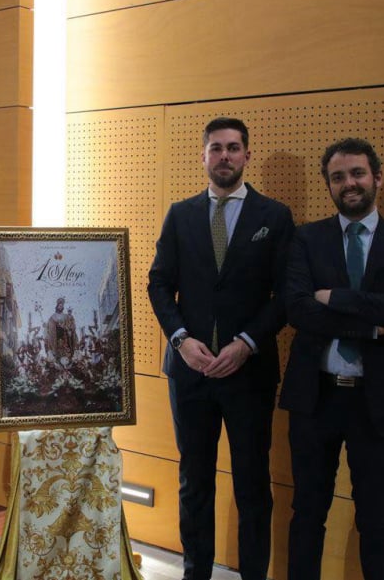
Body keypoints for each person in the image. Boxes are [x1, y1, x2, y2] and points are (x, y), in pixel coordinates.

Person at [148, 117, 295, 580]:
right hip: (190, 372)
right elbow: (158, 283)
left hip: (248, 373)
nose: (225, 156)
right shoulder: (180, 214)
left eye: (233, 148)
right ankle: (195, 573)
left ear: (247, 155)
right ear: (204, 156)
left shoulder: (274, 217)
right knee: (194, 482)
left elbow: (286, 295)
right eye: (216, 148)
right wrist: (180, 340)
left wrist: (247, 344)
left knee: (252, 484)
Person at [280, 138, 384, 580]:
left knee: (376, 517)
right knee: (307, 511)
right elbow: (297, 309)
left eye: (357, 173)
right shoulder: (306, 239)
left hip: (377, 401)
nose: (349, 183)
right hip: (316, 398)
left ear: (376, 177)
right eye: (338, 177)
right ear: (329, 184)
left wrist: (334, 298)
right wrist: (372, 325)